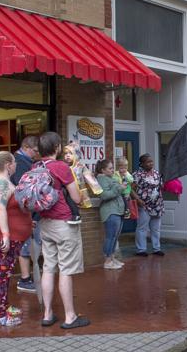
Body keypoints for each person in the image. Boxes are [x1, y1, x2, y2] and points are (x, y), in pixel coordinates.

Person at [36, 131, 90, 329]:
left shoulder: (36, 166)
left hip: (45, 223)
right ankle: (70, 316)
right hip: (64, 224)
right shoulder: (61, 166)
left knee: (48, 268)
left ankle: (48, 314)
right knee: (66, 269)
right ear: (57, 148)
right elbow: (76, 198)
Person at [0, 151, 33, 326]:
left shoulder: (2, 181)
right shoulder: (0, 183)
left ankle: (4, 307)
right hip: (5, 236)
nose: (16, 165)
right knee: (3, 274)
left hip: (12, 235)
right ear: (8, 165)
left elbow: (11, 209)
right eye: (14, 163)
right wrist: (6, 234)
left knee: (5, 273)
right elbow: (0, 209)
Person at [11, 135, 40, 293]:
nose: (36, 154)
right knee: (26, 247)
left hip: (29, 213)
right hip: (25, 213)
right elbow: (23, 190)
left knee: (29, 246)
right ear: (26, 147)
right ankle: (24, 279)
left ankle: (27, 277)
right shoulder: (21, 163)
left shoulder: (25, 162)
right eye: (34, 151)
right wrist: (30, 216)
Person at [96, 159, 126, 270]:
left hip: (117, 210)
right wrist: (118, 188)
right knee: (110, 237)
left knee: (115, 237)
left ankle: (112, 258)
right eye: (110, 168)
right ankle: (107, 261)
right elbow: (104, 195)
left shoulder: (110, 178)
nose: (113, 170)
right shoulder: (102, 179)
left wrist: (121, 187)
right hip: (110, 211)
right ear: (103, 170)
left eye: (113, 168)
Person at [133, 153, 164, 257]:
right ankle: (141, 249)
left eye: (151, 161)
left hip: (157, 205)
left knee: (155, 228)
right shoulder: (137, 175)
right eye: (148, 162)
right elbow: (130, 189)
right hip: (144, 205)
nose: (151, 164)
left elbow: (161, 186)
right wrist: (137, 199)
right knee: (142, 227)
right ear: (142, 164)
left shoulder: (156, 173)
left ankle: (156, 248)